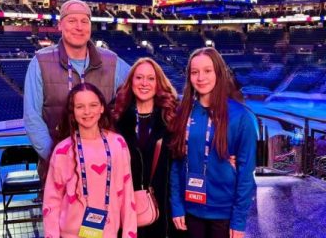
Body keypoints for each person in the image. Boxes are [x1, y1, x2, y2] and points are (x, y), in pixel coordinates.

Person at [23, 0, 130, 183]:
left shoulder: (112, 62)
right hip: (58, 170)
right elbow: (32, 118)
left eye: (84, 21)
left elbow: (144, 84)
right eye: (72, 21)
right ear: (60, 25)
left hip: (103, 167)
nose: (79, 27)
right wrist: (59, 158)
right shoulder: (40, 62)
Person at [169, 47, 257, 238]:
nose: (201, 78)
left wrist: (239, 220)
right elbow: (176, 164)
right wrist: (176, 206)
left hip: (224, 214)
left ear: (218, 72)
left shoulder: (241, 117)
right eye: (195, 72)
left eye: (207, 71)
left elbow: (246, 173)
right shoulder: (183, 113)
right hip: (191, 210)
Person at [43, 83, 137, 238]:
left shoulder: (117, 144)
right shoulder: (63, 150)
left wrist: (129, 233)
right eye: (80, 107)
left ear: (101, 108)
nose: (87, 112)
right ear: (72, 112)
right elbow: (52, 200)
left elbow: (127, 195)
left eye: (93, 105)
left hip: (109, 233)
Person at [112, 57, 185, 238]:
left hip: (163, 206)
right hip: (124, 205)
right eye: (139, 78)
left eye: (151, 78)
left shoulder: (172, 116)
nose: (144, 83)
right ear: (131, 82)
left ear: (158, 83)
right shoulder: (115, 114)